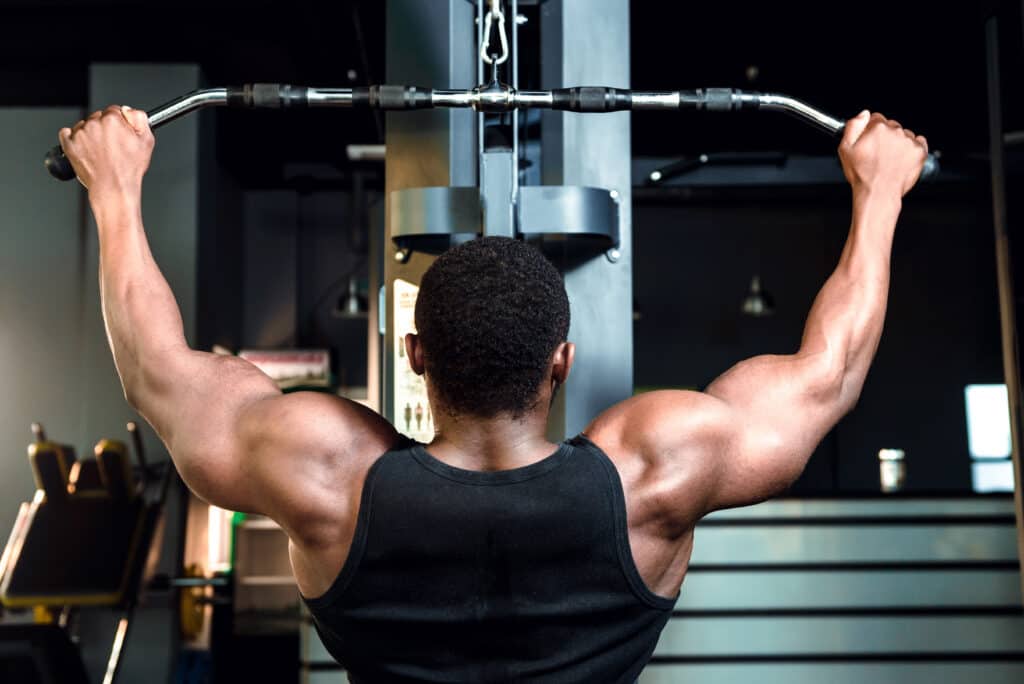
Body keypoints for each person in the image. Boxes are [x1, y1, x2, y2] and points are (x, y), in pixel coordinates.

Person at [59, 106, 927, 683]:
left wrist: (116, 188)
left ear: (414, 357)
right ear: (562, 362)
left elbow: (155, 372)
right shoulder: (654, 476)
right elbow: (831, 373)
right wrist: (879, 191)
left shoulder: (326, 477)